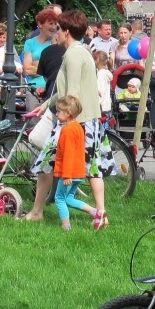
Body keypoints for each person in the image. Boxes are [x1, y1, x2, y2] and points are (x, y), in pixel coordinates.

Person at [21, 10, 112, 228]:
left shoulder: (72, 54)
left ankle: (37, 212)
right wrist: (43, 107)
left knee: (46, 164)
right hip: (87, 121)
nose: (56, 32)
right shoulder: (82, 51)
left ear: (67, 31)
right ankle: (102, 215)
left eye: (59, 29)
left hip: (75, 122)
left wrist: (63, 124)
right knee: (92, 169)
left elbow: (71, 96)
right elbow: (62, 90)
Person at [52, 95, 105, 230]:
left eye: (58, 111)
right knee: (69, 198)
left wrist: (66, 175)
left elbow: (69, 154)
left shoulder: (68, 130)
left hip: (69, 173)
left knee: (59, 198)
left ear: (68, 113)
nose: (56, 114)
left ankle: (66, 226)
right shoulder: (78, 127)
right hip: (78, 172)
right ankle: (96, 212)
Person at [94, 50, 113, 115]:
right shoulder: (105, 72)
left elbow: (100, 91)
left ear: (97, 60)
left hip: (102, 108)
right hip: (106, 106)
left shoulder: (101, 74)